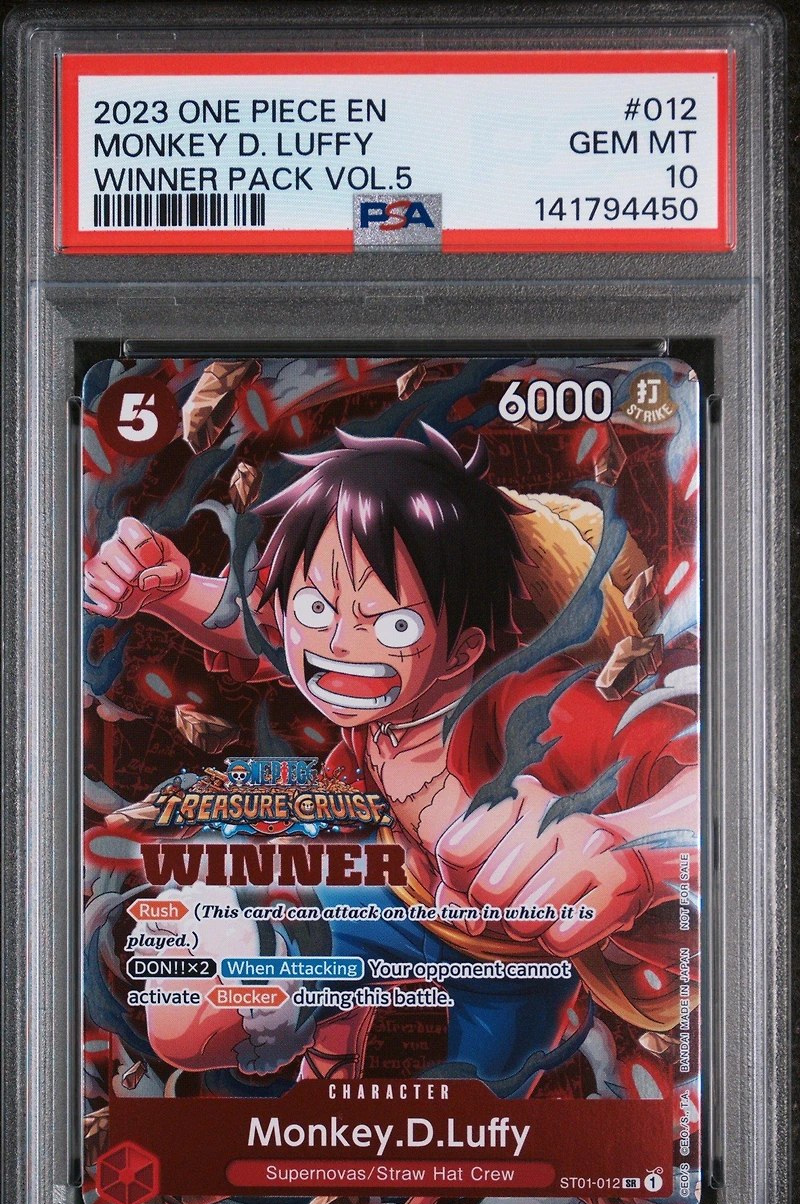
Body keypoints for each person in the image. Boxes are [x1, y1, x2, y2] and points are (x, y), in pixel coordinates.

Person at [84, 426, 698, 1095]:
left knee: (481, 1112)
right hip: (387, 894)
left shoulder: (533, 706)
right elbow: (263, 628)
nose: (338, 643)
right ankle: (329, 1027)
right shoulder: (348, 664)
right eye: (316, 606)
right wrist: (168, 589)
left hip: (508, 964)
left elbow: (697, 770)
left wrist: (630, 848)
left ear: (463, 648)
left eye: (393, 623)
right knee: (192, 996)